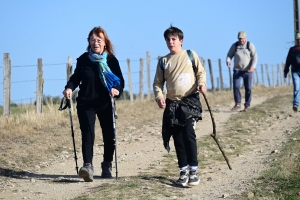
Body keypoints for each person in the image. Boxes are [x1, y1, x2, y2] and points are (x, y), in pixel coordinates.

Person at [62, 26, 125, 182]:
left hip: (105, 102)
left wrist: (116, 90)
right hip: (86, 102)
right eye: (93, 40)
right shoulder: (83, 59)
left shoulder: (111, 60)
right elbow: (76, 78)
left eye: (99, 40)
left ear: (105, 43)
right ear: (89, 42)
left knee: (109, 135)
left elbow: (120, 81)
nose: (95, 42)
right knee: (88, 134)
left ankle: (107, 164)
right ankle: (88, 166)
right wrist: (69, 88)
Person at [153, 25, 207, 187]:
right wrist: (159, 97)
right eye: (168, 40)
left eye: (174, 39)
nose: (170, 42)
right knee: (177, 137)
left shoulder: (190, 55)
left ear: (181, 41)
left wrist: (202, 84)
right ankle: (183, 172)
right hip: (172, 105)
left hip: (190, 101)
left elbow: (201, 73)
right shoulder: (163, 61)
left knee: (188, 133)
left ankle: (194, 171)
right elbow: (157, 83)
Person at [226, 31, 258, 112]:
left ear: (245, 38)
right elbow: (229, 55)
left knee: (248, 88)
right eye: (240, 39)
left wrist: (253, 67)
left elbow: (255, 57)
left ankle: (247, 105)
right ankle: (238, 104)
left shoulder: (249, 45)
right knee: (236, 86)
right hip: (237, 70)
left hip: (247, 70)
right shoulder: (235, 46)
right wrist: (228, 61)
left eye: (243, 39)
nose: (241, 40)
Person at [284, 33, 300, 112]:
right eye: (298, 39)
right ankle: (296, 104)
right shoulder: (292, 50)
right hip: (295, 71)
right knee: (296, 87)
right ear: (296, 41)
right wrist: (286, 71)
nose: (299, 41)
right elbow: (288, 61)